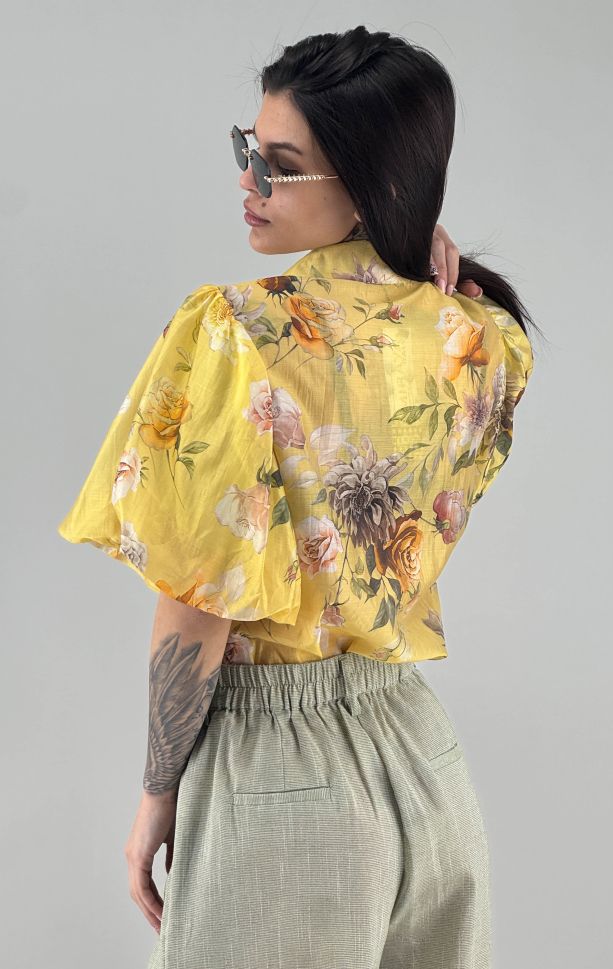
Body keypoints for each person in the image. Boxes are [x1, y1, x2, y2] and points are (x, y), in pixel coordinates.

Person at [57, 25, 542, 969]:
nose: (249, 180)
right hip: (425, 765)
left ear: (369, 184)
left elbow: (198, 599)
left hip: (281, 784)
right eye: (248, 148)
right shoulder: (477, 333)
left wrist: (157, 792)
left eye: (279, 167)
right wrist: (405, 232)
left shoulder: (240, 331)